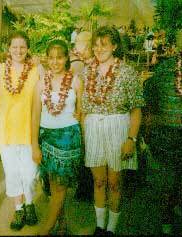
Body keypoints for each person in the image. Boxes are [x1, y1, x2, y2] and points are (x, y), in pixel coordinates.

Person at [81, 26, 145, 235]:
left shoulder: (127, 72)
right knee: (98, 181)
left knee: (115, 183)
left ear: (115, 46)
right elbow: (82, 109)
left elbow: (136, 110)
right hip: (93, 129)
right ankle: (100, 226)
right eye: (96, 45)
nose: (99, 49)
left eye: (104, 44)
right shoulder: (86, 71)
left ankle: (111, 228)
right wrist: (84, 136)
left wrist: (131, 139)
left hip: (118, 128)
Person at [31, 40, 83, 235]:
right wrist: (34, 146)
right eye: (51, 58)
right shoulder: (40, 83)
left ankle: (47, 228)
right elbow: (35, 116)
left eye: (59, 57)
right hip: (46, 137)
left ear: (66, 59)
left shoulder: (76, 81)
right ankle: (62, 225)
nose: (55, 62)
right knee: (52, 184)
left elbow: (81, 113)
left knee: (60, 186)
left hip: (68, 138)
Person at [0, 31, 40, 231]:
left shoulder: (36, 70)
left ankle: (30, 203)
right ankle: (19, 208)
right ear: (9, 48)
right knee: (12, 173)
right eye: (15, 46)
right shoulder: (0, 69)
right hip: (6, 130)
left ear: (28, 49)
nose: (18, 50)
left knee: (29, 174)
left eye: (22, 47)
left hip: (29, 129)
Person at [143, 50, 182, 235]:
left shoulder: (164, 68)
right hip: (169, 134)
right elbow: (150, 98)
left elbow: (150, 96)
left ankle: (169, 216)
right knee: (169, 179)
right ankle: (167, 217)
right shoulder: (165, 69)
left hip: (166, 133)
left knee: (170, 178)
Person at [70, 31, 95, 202]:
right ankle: (87, 187)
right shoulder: (82, 64)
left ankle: (86, 188)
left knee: (87, 150)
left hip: (88, 113)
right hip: (84, 112)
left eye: (79, 44)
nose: (76, 48)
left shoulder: (80, 65)